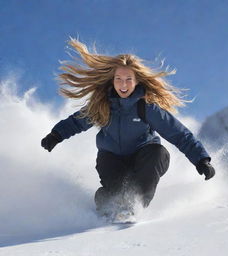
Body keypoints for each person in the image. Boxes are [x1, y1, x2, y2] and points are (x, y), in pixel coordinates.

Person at [41, 38, 215, 216]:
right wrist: (56, 135)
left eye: (128, 79)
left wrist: (201, 160)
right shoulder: (103, 104)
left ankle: (135, 208)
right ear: (112, 80)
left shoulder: (146, 107)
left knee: (158, 153)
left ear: (137, 81)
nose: (123, 85)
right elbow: (78, 121)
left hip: (145, 156)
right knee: (116, 195)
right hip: (111, 159)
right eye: (118, 79)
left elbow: (179, 134)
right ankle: (106, 201)